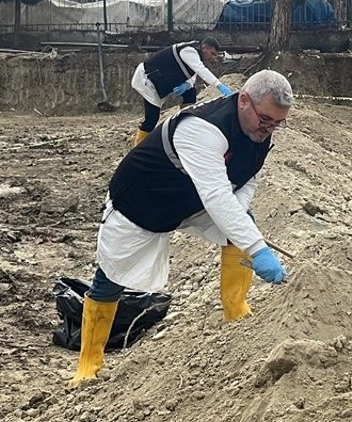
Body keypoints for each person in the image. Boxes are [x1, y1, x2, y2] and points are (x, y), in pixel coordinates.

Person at [70, 69, 293, 387]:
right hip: (141, 200)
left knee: (244, 225)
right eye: (266, 120)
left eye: (278, 123)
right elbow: (217, 196)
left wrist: (240, 230)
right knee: (111, 275)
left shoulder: (259, 134)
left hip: (190, 203)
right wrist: (258, 250)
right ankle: (88, 364)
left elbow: (244, 183)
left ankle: (236, 312)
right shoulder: (204, 129)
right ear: (244, 101)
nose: (270, 129)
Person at [130, 37, 233, 146]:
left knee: (190, 92)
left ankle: (186, 122)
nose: (213, 57)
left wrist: (187, 84)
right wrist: (219, 85)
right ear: (204, 48)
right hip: (148, 80)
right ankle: (139, 145)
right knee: (152, 118)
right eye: (212, 53)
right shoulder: (189, 51)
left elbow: (193, 72)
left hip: (161, 81)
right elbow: (200, 69)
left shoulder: (195, 53)